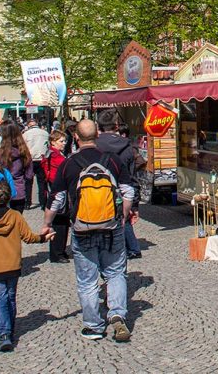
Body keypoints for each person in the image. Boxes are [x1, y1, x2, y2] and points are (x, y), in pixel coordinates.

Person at [42, 120, 133, 342]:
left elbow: (57, 199)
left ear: (76, 138)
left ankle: (93, 326)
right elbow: (128, 192)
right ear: (98, 135)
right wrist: (122, 217)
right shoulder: (112, 160)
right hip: (112, 227)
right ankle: (117, 314)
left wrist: (47, 224)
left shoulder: (68, 163)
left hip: (82, 228)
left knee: (87, 279)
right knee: (115, 272)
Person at [0, 179, 53, 352]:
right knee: (10, 297)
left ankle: (4, 334)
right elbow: (28, 237)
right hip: (13, 265)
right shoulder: (15, 217)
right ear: (9, 197)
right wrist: (42, 237)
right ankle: (11, 328)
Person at [95, 111, 141, 259]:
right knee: (123, 219)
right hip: (123, 191)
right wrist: (135, 205)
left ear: (99, 127)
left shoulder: (94, 145)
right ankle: (130, 248)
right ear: (116, 126)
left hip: (98, 191)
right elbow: (132, 176)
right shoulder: (127, 146)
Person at [43, 130, 70, 263]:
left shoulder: (56, 154)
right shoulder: (55, 155)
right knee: (58, 222)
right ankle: (56, 253)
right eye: (61, 141)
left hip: (58, 190)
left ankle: (61, 250)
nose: (64, 143)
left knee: (63, 223)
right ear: (53, 142)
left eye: (64, 141)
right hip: (58, 191)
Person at [0, 123, 33, 212]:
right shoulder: (24, 152)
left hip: (2, 192)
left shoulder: (0, 154)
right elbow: (29, 175)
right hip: (19, 191)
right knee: (16, 222)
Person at [22, 119, 50, 209]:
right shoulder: (45, 133)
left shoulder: (26, 134)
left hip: (30, 159)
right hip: (42, 159)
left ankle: (27, 202)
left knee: (28, 182)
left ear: (29, 126)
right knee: (42, 182)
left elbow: (23, 147)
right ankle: (43, 202)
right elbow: (48, 146)